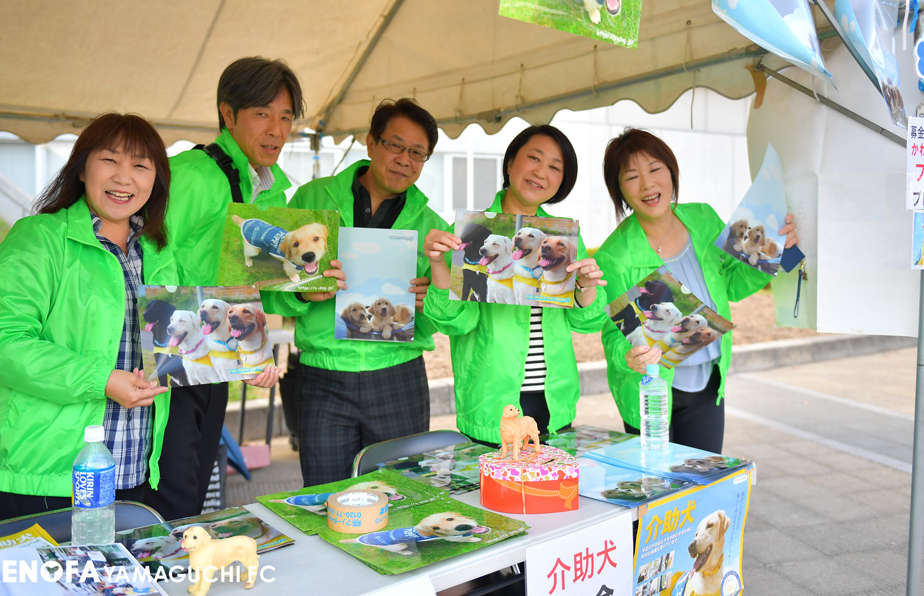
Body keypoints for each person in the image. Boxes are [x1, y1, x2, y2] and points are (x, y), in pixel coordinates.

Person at [0, 113, 175, 521]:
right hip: (45, 471)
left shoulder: (156, 253)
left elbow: (177, 345)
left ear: (156, 180)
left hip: (132, 465)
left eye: (140, 165)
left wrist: (241, 361)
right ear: (82, 169)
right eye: (109, 160)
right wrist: (101, 380)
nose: (124, 177)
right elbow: (2, 344)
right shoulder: (38, 239)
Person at [262, 98, 447, 486]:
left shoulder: (433, 226)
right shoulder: (312, 200)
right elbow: (270, 288)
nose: (405, 160)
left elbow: (448, 319)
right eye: (395, 145)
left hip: (399, 376)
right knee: (326, 497)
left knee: (403, 496)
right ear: (371, 142)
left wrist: (430, 298)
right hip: (322, 375)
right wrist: (303, 294)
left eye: (417, 153)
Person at [149, 57, 299, 519]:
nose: (276, 130)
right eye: (262, 114)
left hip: (214, 362)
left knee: (195, 489)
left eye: (286, 117)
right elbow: (149, 255)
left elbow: (261, 285)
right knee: (171, 493)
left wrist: (306, 290)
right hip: (170, 364)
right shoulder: (191, 175)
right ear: (228, 114)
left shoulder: (270, 191)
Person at [594, 127, 799, 453]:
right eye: (632, 177)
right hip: (650, 392)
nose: (647, 184)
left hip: (708, 383)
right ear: (619, 189)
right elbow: (613, 334)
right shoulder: (614, 256)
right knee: (657, 483)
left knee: (702, 479)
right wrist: (627, 356)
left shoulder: (703, 218)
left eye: (655, 169)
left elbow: (732, 284)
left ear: (671, 171)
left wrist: (772, 251)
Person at [423, 124, 607, 445]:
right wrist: (439, 264)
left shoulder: (561, 238)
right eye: (534, 158)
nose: (541, 172)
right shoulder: (471, 233)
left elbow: (587, 323)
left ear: (562, 181)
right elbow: (454, 322)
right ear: (510, 163)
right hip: (491, 405)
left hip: (553, 404)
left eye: (555, 167)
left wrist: (587, 286)